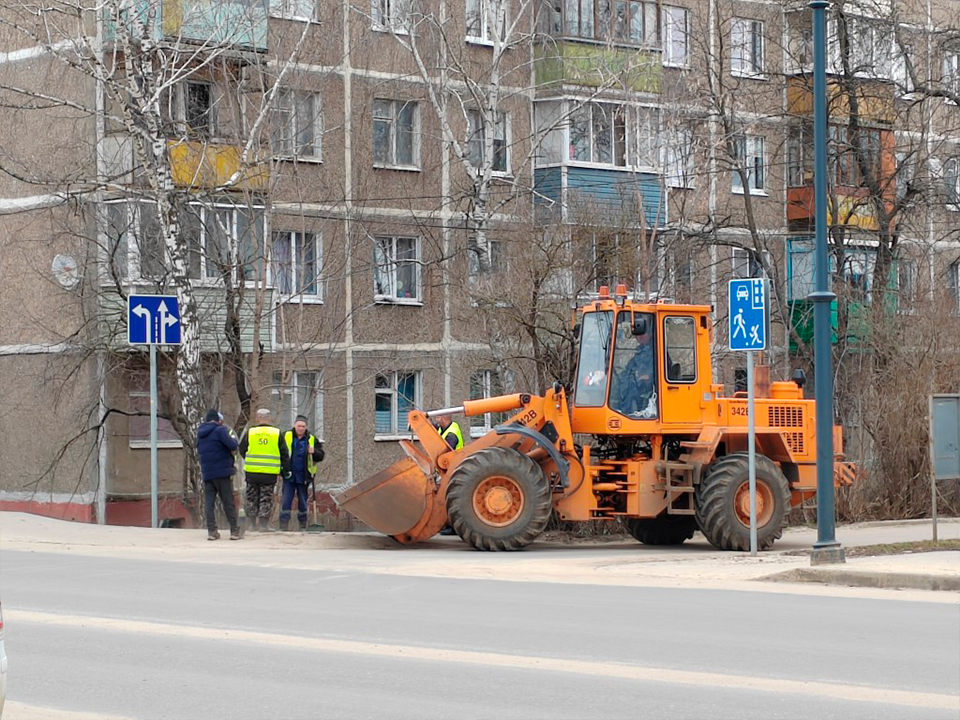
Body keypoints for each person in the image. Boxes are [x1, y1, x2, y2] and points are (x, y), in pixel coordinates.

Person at [239, 408, 290, 532]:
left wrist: (250, 459)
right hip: (269, 472)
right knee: (266, 498)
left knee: (251, 497)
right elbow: (284, 453)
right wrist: (286, 470)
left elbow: (242, 449)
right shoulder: (276, 433)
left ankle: (251, 525)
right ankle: (263, 525)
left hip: (252, 471)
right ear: (270, 418)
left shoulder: (251, 432)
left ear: (257, 418)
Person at [197, 409, 241, 541]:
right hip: (222, 472)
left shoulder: (200, 433)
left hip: (208, 472)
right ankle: (234, 530)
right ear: (217, 420)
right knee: (227, 501)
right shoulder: (220, 430)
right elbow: (233, 445)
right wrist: (232, 437)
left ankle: (212, 531)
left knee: (209, 502)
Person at [280, 414, 325, 532]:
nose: (301, 428)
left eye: (303, 426)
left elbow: (321, 456)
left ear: (306, 427)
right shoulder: (285, 436)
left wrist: (314, 451)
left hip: (304, 476)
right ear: (294, 425)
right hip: (288, 475)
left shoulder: (311, 439)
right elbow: (279, 453)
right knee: (286, 500)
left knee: (303, 502)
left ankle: (302, 525)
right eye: (299, 426)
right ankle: (283, 526)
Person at [435, 413, 464, 536]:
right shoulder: (444, 428)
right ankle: (446, 524)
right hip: (446, 470)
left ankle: (452, 526)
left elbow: (445, 453)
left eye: (437, 418)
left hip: (452, 469)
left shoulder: (451, 434)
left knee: (449, 498)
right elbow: (433, 428)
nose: (436, 420)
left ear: (443, 419)